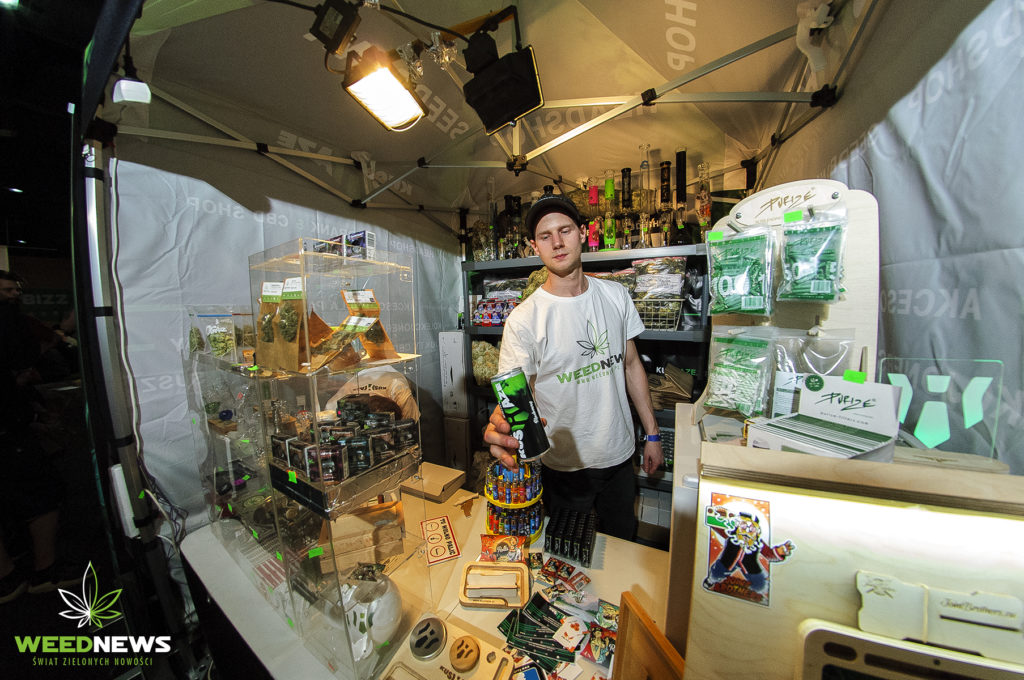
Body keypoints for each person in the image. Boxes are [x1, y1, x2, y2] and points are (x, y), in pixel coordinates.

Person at [483, 193, 664, 540]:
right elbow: (514, 401)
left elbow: (630, 365)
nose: (557, 242)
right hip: (563, 465)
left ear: (582, 233)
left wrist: (652, 435)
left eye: (564, 230)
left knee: (623, 541)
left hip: (619, 455)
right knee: (567, 555)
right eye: (545, 236)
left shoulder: (615, 295)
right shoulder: (524, 319)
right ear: (534, 246)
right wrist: (505, 430)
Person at [0, 270, 76, 603]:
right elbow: (25, 358)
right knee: (41, 490)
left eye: (15, 289)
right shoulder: (9, 321)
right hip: (9, 426)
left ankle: (11, 572)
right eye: (6, 290)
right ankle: (41, 571)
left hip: (13, 422)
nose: (13, 295)